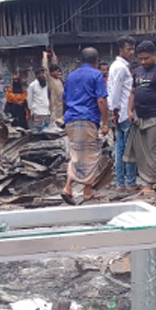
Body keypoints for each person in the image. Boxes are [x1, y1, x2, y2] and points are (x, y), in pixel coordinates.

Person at [61, 47, 110, 204]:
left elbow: (64, 98)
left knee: (77, 154)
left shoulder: (71, 76)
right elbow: (101, 100)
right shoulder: (96, 75)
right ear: (96, 61)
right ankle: (76, 189)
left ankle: (79, 189)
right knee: (91, 155)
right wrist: (106, 121)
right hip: (86, 118)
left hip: (71, 118)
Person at [125, 40, 156, 195]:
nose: (143, 62)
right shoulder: (139, 71)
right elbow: (133, 92)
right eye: (140, 59)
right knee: (142, 151)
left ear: (154, 54)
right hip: (140, 116)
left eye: (146, 58)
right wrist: (129, 110)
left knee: (153, 150)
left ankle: (149, 184)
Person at [107, 36, 138, 190]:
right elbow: (115, 91)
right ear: (121, 49)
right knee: (129, 148)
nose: (131, 52)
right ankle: (130, 182)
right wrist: (114, 110)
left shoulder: (116, 66)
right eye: (128, 49)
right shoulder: (120, 67)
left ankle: (120, 182)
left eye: (133, 49)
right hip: (124, 112)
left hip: (120, 112)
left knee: (120, 148)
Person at [43, 51, 65, 125]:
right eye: (57, 72)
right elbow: (45, 69)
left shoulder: (59, 80)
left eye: (59, 72)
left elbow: (55, 64)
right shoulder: (50, 80)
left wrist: (53, 56)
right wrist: (45, 57)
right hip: (54, 106)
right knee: (54, 123)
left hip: (61, 105)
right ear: (52, 73)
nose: (59, 73)